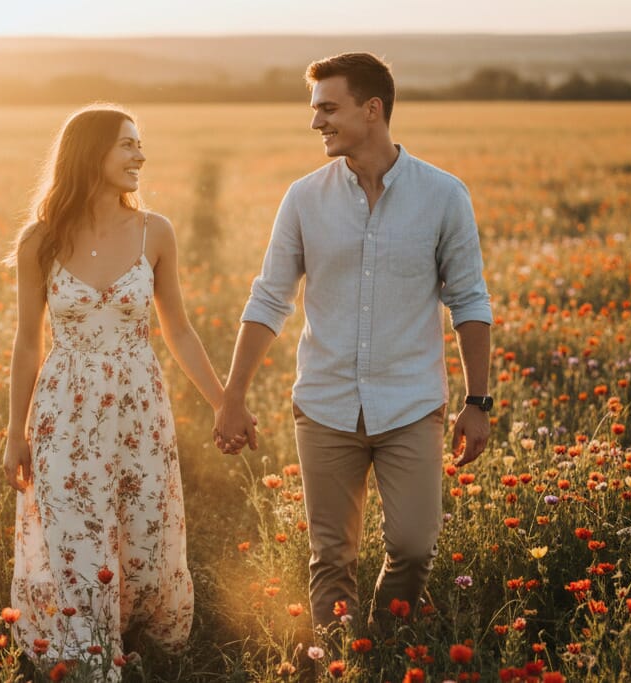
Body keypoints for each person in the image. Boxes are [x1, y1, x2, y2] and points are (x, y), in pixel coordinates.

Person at [214, 53, 493, 631]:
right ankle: (336, 657)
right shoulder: (303, 198)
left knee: (415, 547)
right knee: (331, 559)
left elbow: (469, 301)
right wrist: (232, 396)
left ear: (373, 110)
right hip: (325, 404)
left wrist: (478, 400)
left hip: (411, 404)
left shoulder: (444, 196)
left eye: (328, 108)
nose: (316, 122)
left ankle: (384, 646)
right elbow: (269, 299)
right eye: (315, 110)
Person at [3, 105, 226, 678]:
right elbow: (28, 344)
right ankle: (91, 663)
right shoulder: (40, 240)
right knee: (77, 543)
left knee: (144, 538)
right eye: (127, 145)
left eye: (140, 144)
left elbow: (177, 328)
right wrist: (15, 432)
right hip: (64, 412)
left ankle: (149, 649)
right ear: (89, 153)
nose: (139, 156)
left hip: (139, 409)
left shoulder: (156, 231)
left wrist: (224, 402)